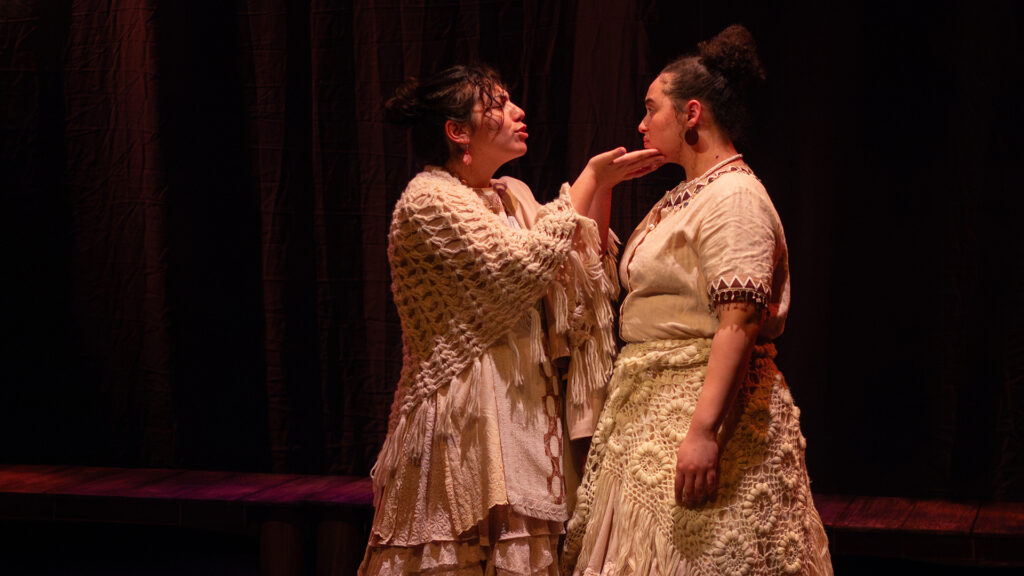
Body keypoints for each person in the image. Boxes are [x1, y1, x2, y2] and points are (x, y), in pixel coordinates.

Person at [359, 64, 663, 575]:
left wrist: (602, 187)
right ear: (458, 132)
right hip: (466, 413)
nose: (516, 112)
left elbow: (570, 273)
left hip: (519, 405)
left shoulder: (511, 196)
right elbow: (522, 265)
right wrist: (588, 178)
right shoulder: (430, 200)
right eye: (496, 105)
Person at [563, 25, 833, 575]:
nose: (640, 124)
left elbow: (739, 321)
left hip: (698, 409)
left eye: (650, 108)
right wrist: (603, 186)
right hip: (646, 414)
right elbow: (602, 278)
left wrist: (705, 432)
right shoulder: (683, 198)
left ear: (691, 114)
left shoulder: (734, 196)